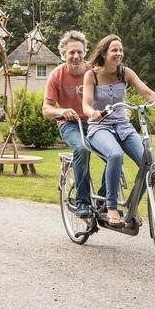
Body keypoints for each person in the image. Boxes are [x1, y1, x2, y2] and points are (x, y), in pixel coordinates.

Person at [81, 34, 155, 226]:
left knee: (148, 163)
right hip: (100, 127)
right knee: (115, 156)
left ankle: (132, 206)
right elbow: (86, 105)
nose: (119, 53)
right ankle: (111, 207)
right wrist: (93, 113)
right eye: (114, 50)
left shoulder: (125, 73)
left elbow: (147, 93)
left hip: (123, 126)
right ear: (104, 53)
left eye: (120, 50)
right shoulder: (92, 75)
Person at [42, 30, 93, 217]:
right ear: (64, 55)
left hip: (94, 122)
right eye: (71, 52)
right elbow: (46, 109)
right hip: (70, 124)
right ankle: (82, 202)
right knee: (82, 148)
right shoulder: (57, 75)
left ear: (85, 52)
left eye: (79, 52)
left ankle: (107, 200)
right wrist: (61, 111)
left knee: (115, 153)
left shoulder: (93, 71)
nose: (76, 56)